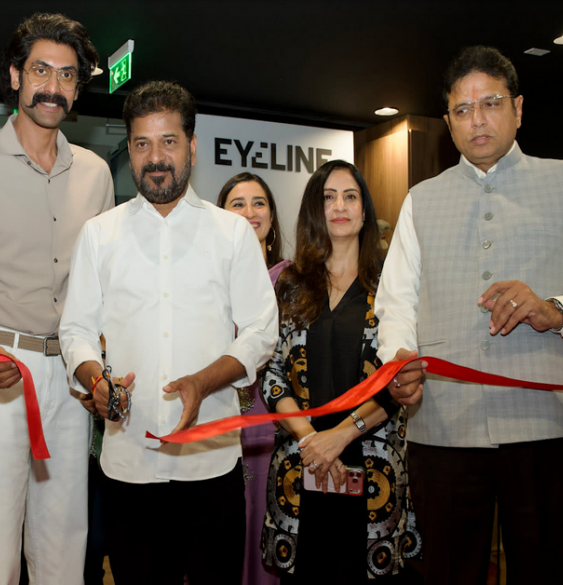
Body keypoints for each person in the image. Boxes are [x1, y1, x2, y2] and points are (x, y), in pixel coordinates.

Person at [377, 45, 563, 584]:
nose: (477, 119)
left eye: (491, 103)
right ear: (449, 121)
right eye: (462, 109)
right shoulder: (420, 199)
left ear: (518, 109)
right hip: (444, 429)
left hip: (547, 426)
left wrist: (556, 310)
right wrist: (398, 359)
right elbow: (396, 302)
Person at [60, 80, 278, 584]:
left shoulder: (232, 234)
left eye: (169, 142)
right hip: (128, 465)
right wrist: (95, 379)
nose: (155, 157)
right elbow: (76, 330)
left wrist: (204, 382)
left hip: (211, 464)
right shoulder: (99, 234)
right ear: (129, 150)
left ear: (192, 147)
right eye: (142, 144)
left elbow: (261, 331)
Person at [0, 13, 112, 584]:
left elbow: (103, 291)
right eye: (40, 71)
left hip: (70, 380)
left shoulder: (97, 174)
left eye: (67, 75)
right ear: (15, 76)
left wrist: (98, 371)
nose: (53, 87)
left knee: (63, 554)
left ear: (77, 89)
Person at [258, 160, 417, 582]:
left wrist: (341, 436)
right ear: (315, 209)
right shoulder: (290, 284)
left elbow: (399, 378)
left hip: (373, 463)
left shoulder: (391, 283)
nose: (340, 206)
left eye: (350, 196)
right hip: (302, 462)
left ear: (365, 209)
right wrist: (312, 440)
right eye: (328, 198)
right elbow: (272, 374)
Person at [217, 171, 288, 585]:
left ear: (272, 217)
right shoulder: (207, 285)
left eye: (258, 203)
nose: (249, 212)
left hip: (275, 427)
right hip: (217, 424)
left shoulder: (293, 281)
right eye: (237, 204)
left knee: (269, 523)